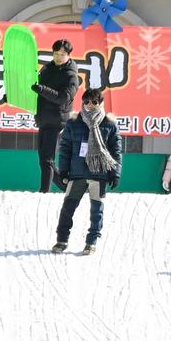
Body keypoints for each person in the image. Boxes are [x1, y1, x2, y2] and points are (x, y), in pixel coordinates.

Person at [53, 87, 122, 254]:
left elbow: (116, 151)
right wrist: (63, 171)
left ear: (100, 103)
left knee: (96, 210)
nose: (90, 105)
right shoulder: (73, 123)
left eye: (94, 102)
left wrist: (115, 173)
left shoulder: (109, 125)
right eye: (87, 101)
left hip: (99, 174)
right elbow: (65, 148)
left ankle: (91, 242)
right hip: (77, 173)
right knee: (68, 208)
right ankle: (61, 240)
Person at [33, 39, 80, 193]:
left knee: (47, 160)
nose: (59, 57)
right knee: (44, 161)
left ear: (68, 55)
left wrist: (41, 89)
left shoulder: (71, 75)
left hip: (57, 120)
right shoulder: (47, 68)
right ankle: (69, 189)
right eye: (56, 54)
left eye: (62, 54)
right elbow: (33, 90)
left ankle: (43, 193)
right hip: (43, 118)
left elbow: (63, 97)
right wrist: (12, 97)